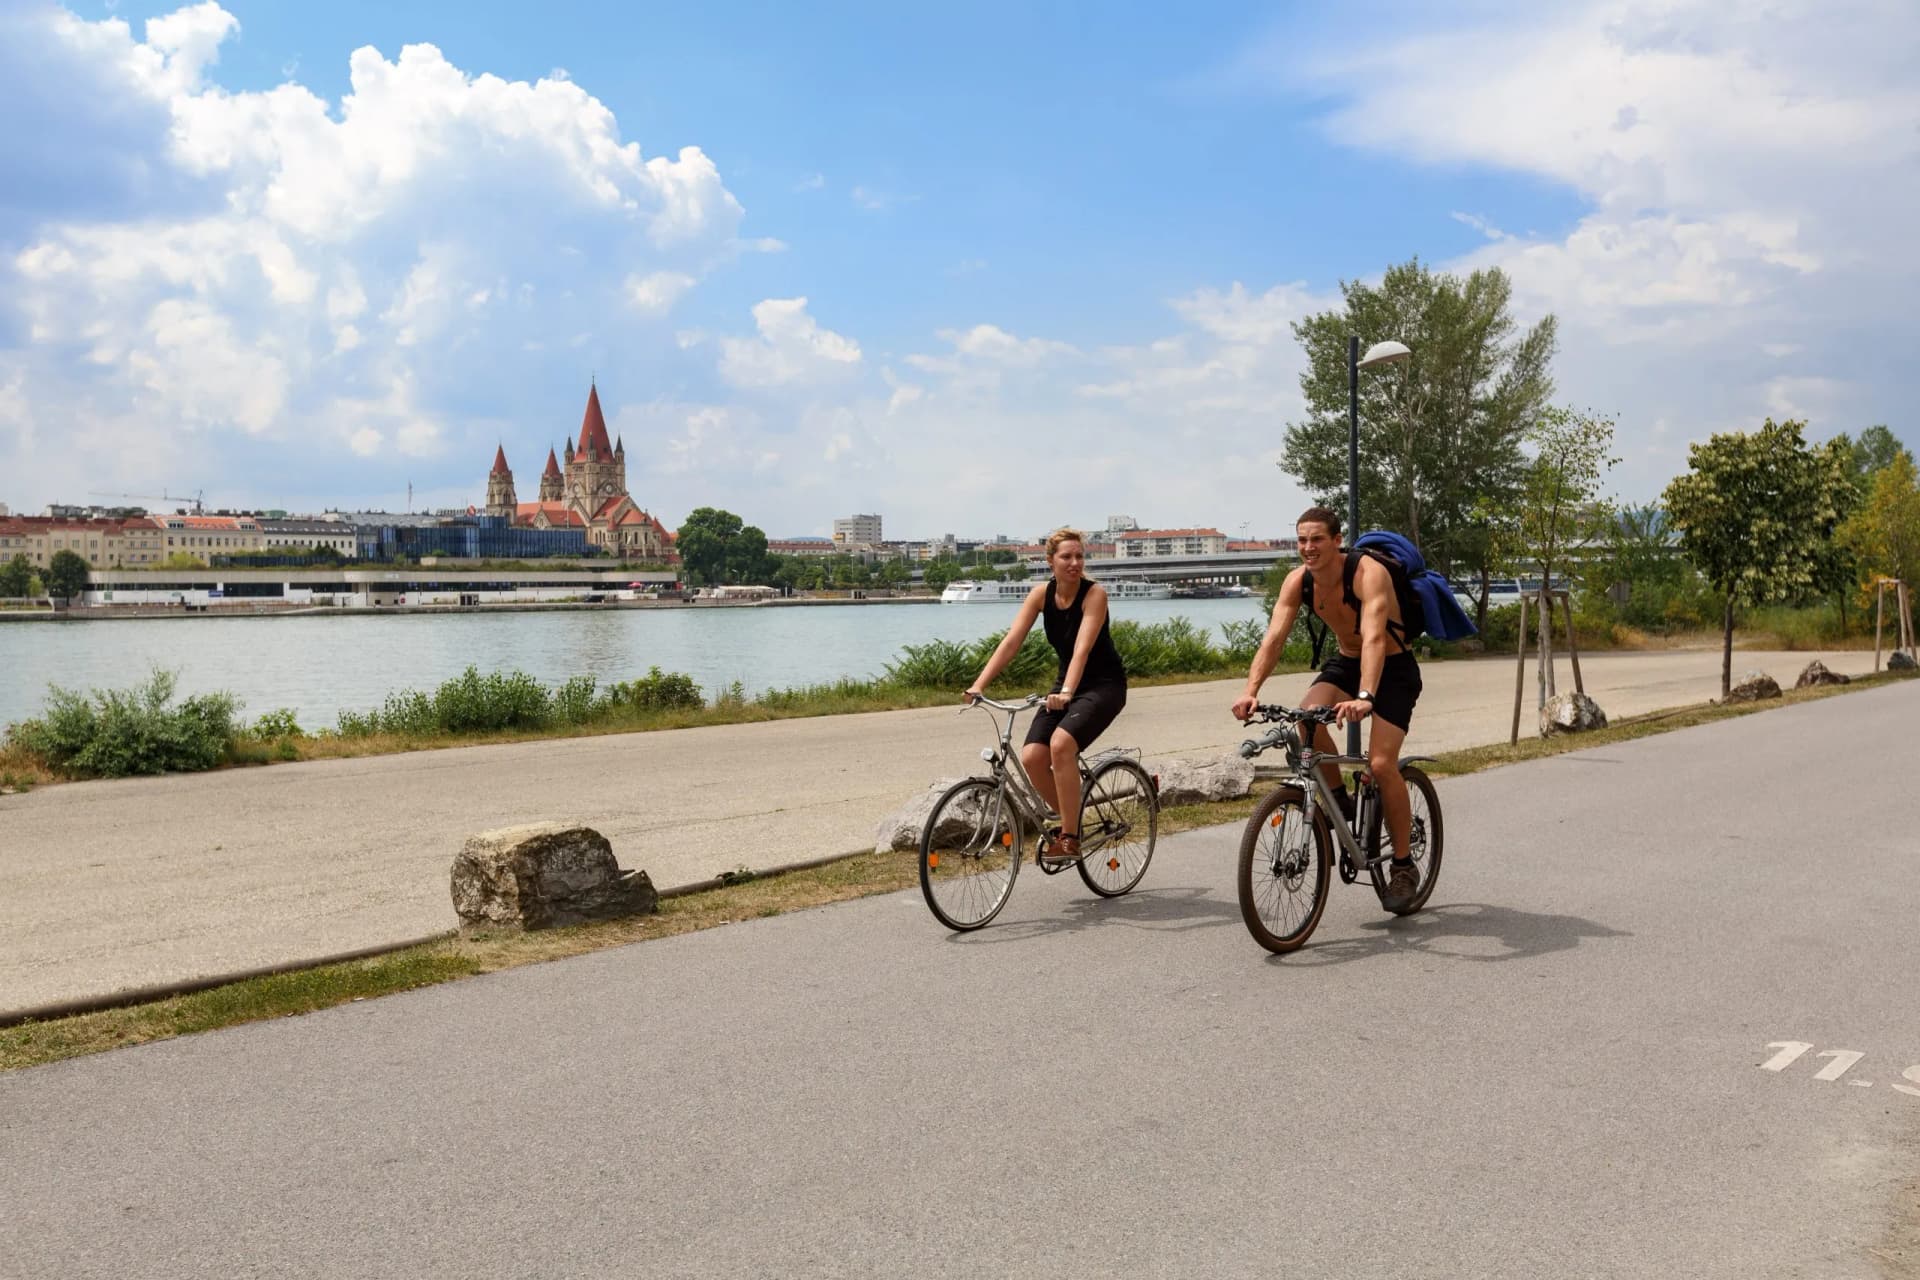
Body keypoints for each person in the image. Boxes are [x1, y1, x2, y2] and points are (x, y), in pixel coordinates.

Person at [1231, 506, 1425, 910]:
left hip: (1393, 667)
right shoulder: (1298, 582)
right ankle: (1342, 803)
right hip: (1345, 663)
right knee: (1305, 720)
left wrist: (1366, 698)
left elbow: (1373, 639)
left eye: (1317, 539)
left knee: (1382, 764)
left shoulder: (1368, 572)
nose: (1308, 548)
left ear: (1337, 540)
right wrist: (1250, 691)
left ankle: (1404, 866)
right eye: (1302, 540)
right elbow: (1273, 641)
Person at [964, 528, 1128, 863]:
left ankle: (1069, 836)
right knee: (1032, 758)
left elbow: (1082, 650)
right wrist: (979, 685)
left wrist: (1067, 692)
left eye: (1079, 556)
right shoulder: (1041, 596)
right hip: (1065, 686)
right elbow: (1011, 642)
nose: (1074, 563)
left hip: (1103, 685)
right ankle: (1074, 818)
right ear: (1050, 561)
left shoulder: (1094, 594)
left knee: (1061, 745)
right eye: (1066, 557)